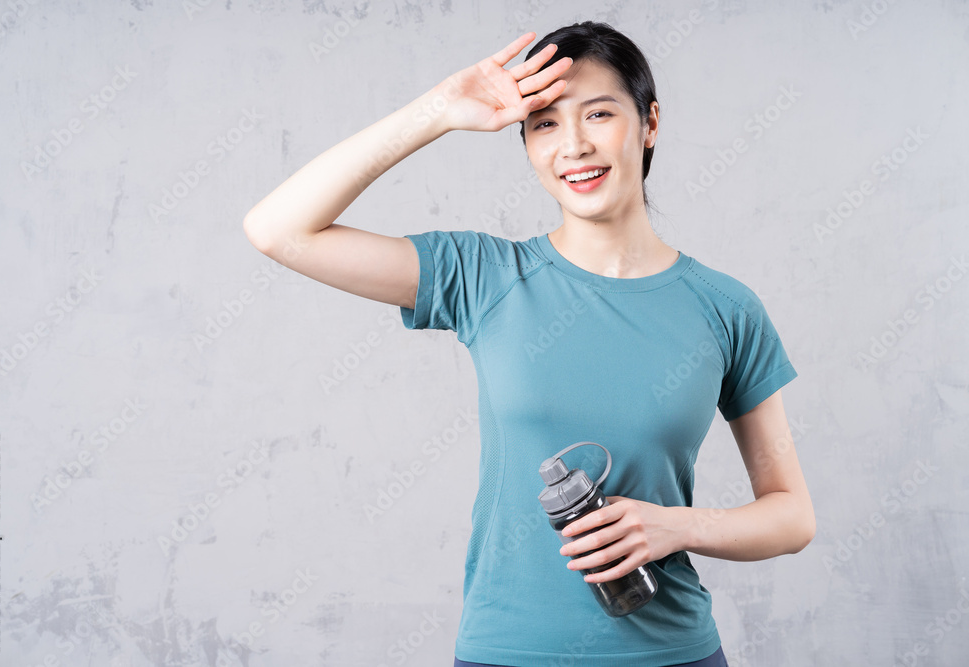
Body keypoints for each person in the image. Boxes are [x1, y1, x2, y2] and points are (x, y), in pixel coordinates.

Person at [243, 20, 816, 667]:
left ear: (650, 122)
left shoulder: (725, 306)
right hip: (506, 651)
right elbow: (276, 229)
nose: (573, 144)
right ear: (525, 143)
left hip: (673, 652)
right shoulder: (483, 276)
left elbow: (792, 515)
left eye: (599, 114)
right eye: (544, 123)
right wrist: (439, 109)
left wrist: (677, 525)